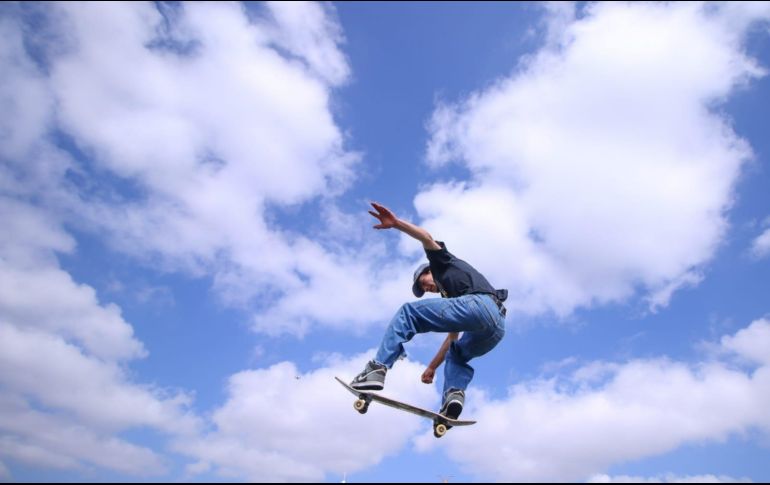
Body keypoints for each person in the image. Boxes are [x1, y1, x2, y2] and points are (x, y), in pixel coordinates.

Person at [351, 202, 507, 419]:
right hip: (495, 327)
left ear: (427, 271)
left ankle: (377, 368)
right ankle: (454, 396)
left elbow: (425, 237)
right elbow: (451, 340)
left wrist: (396, 224)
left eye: (423, 283)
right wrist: (432, 367)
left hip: (479, 304)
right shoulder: (453, 299)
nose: (427, 288)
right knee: (457, 353)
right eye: (424, 289)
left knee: (408, 313)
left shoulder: (441, 263)